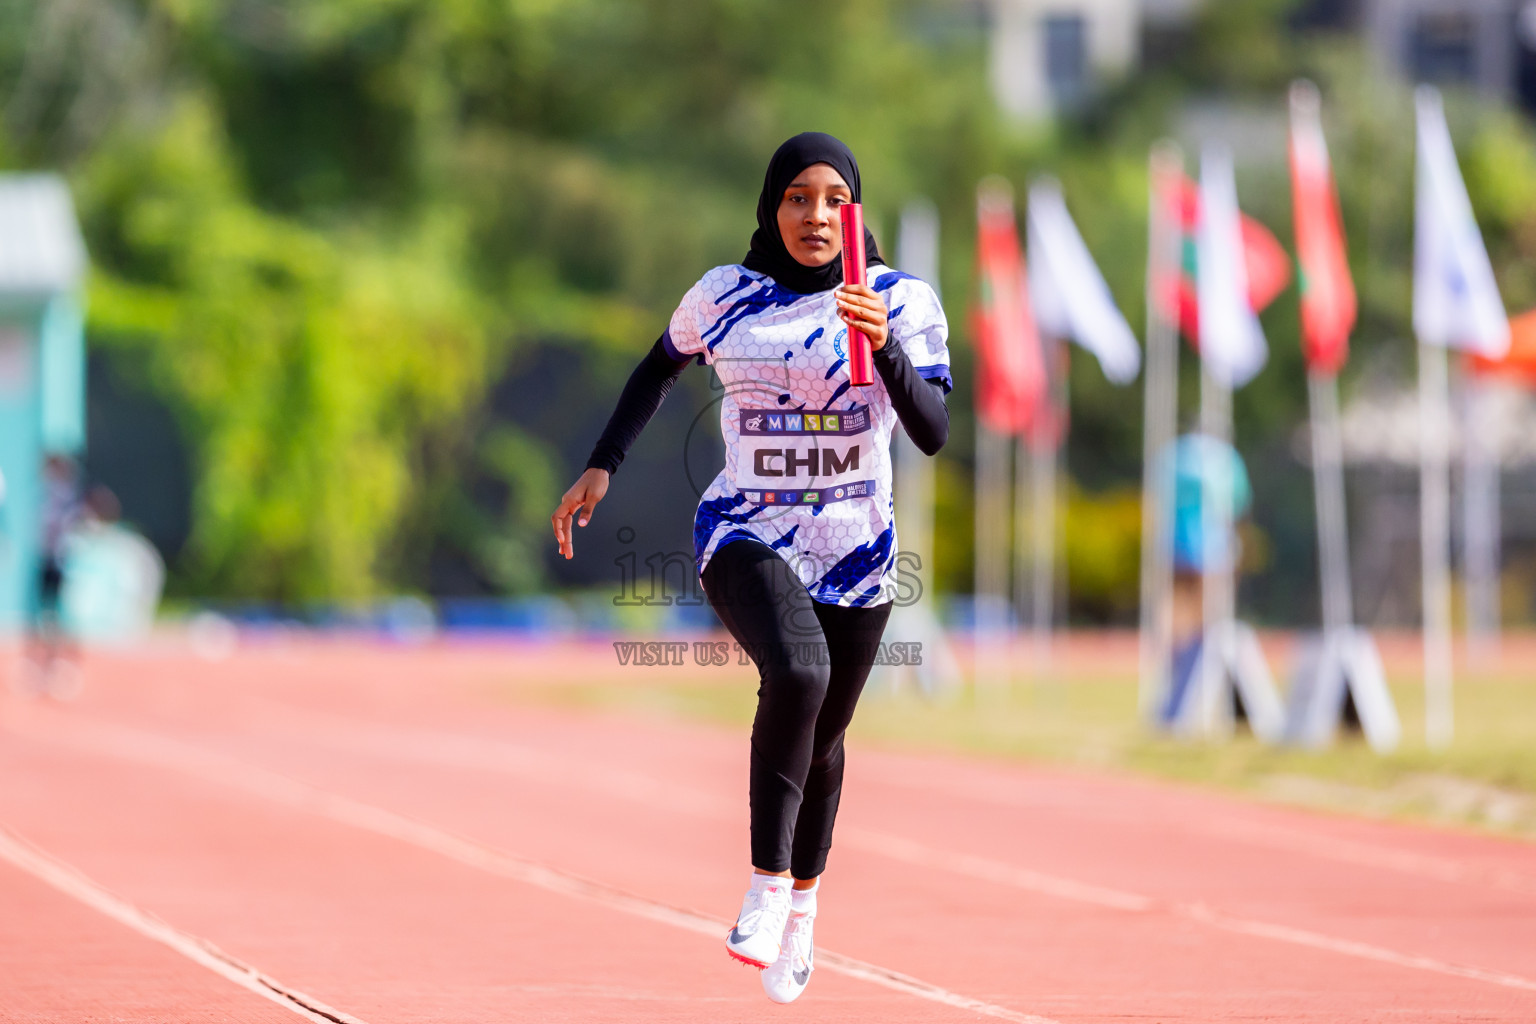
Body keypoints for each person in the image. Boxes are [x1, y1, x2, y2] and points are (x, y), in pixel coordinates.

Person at [551, 133, 951, 1004]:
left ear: (855, 211)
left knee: (829, 738)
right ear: (772, 207)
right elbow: (657, 367)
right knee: (798, 672)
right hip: (745, 530)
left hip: (858, 549)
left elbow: (932, 430)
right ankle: (767, 883)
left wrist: (882, 347)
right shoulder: (724, 298)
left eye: (832, 198)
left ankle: (803, 913)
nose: (815, 214)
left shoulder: (899, 300)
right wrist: (601, 464)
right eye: (797, 197)